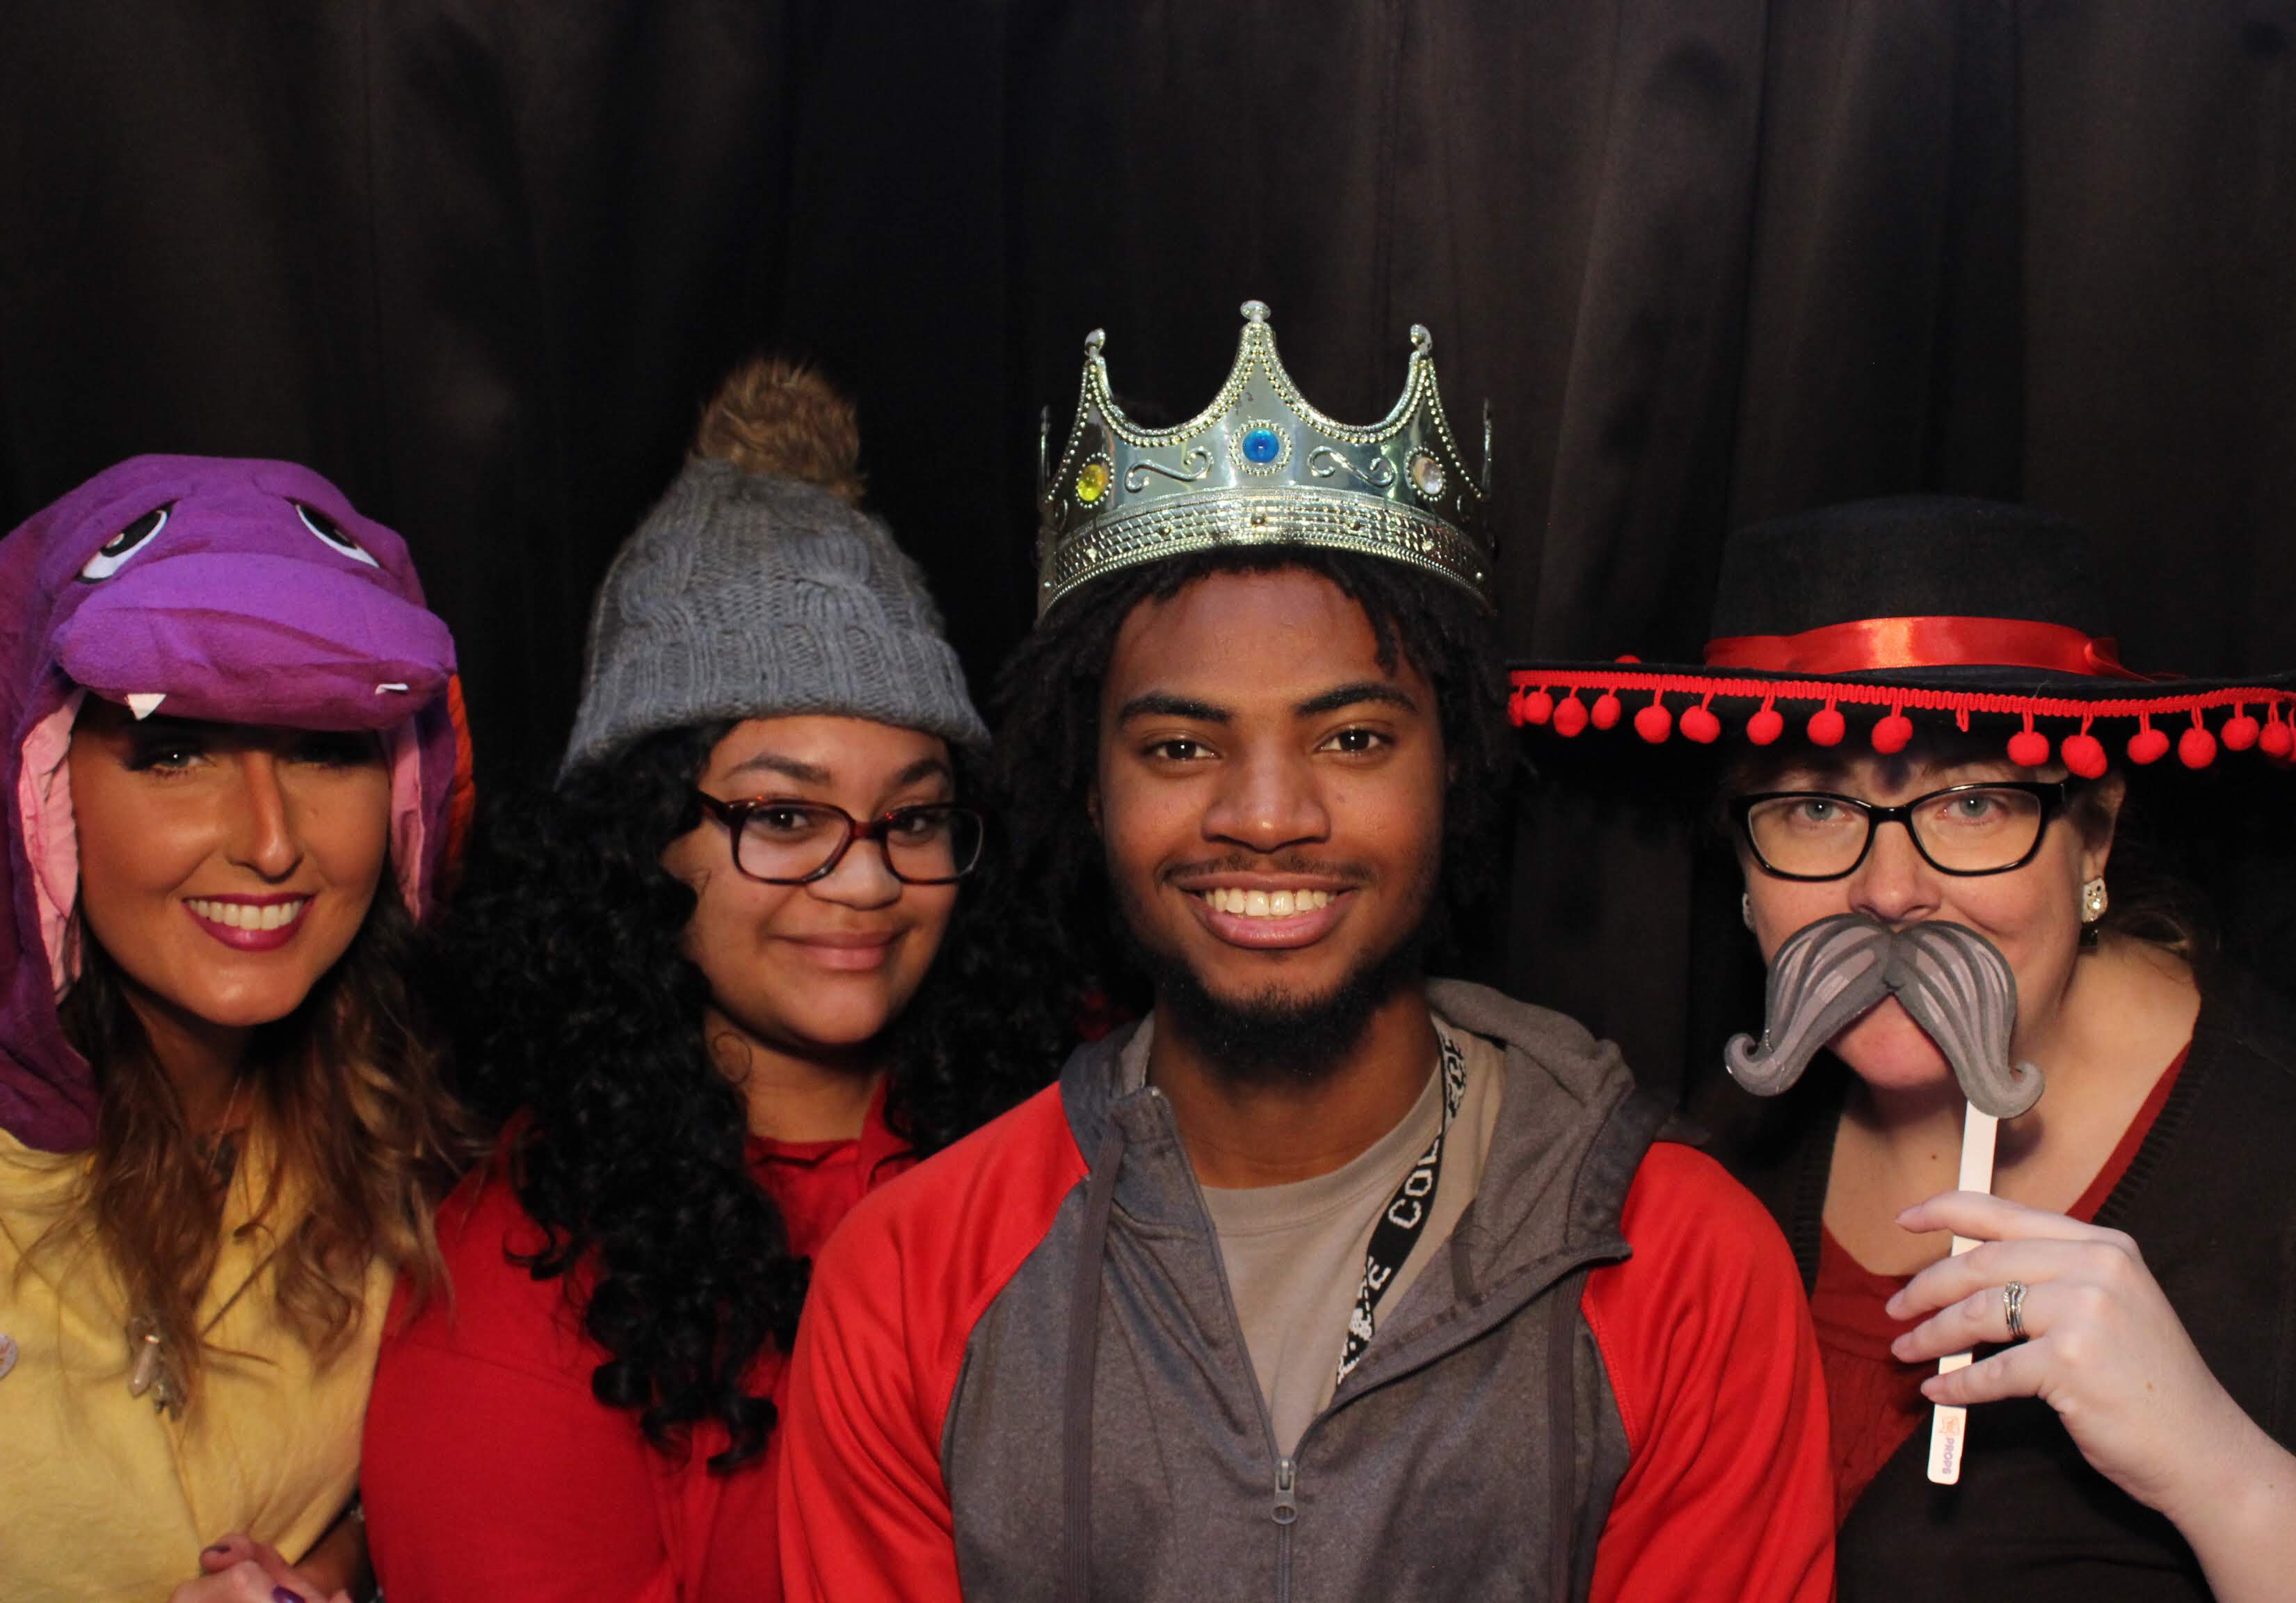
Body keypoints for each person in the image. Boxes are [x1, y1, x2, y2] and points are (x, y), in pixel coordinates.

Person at [778, 303, 1835, 1602]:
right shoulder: (909, 1281)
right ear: (1089, 789)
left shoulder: (1680, 1263)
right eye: (1180, 748)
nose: (1267, 817)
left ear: (1455, 773)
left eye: (1352, 741)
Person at [1510, 495, 2296, 1600]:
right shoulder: (1733, 1133)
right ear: (1742, 867)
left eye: (1974, 803)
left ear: (2096, 833)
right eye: (1812, 810)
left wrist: (2216, 1466)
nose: (1889, 893)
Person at [362, 360, 1050, 1601]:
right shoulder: (526, 1288)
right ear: (642, 843)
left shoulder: (1072, 1139)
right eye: (785, 817)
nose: (865, 882)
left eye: (917, 817)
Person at [0, 456, 475, 1603]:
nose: (270, 841)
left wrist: (341, 1567)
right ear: (44, 801)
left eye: (326, 750)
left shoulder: (413, 1148)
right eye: (177, 751)